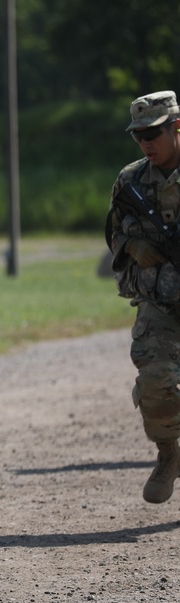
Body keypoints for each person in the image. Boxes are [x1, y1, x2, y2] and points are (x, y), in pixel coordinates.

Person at [105, 90, 180, 504]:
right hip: (160, 298)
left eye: (154, 132)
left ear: (176, 127)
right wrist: (133, 248)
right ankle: (169, 454)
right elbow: (114, 232)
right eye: (139, 136)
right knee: (154, 380)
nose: (147, 142)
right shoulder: (130, 180)